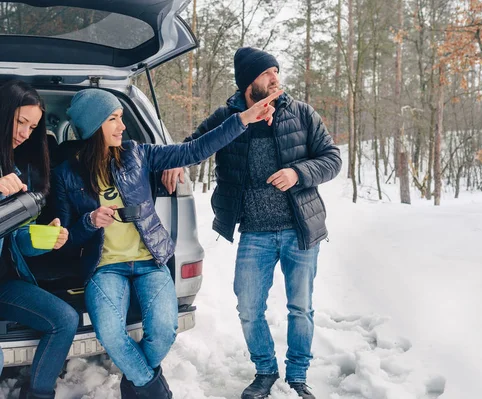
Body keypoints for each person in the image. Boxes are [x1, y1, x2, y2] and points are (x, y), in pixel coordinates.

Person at [52, 87, 281, 399]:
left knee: (163, 331)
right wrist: (90, 222)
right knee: (110, 334)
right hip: (104, 267)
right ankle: (156, 392)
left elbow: (194, 150)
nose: (122, 126)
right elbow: (64, 238)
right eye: (114, 119)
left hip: (149, 260)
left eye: (121, 118)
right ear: (93, 126)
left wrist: (244, 119)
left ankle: (137, 383)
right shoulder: (66, 175)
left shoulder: (136, 154)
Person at [162, 47, 342, 399]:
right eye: (267, 74)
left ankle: (298, 377)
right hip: (254, 233)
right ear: (248, 83)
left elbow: (332, 158)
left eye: (277, 72)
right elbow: (192, 145)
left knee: (300, 307)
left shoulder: (301, 113)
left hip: (299, 229)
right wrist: (175, 163)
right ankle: (264, 371)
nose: (276, 79)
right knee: (248, 308)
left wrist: (297, 172)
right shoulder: (228, 116)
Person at [0, 80, 78, 399]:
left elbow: (16, 239)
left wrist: (46, 239)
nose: (25, 133)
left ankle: (38, 394)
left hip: (5, 281)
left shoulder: (18, 170)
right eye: (21, 122)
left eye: (32, 127)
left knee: (64, 319)